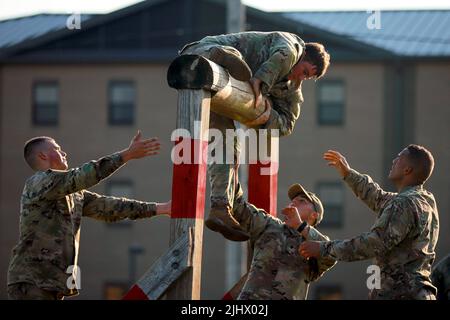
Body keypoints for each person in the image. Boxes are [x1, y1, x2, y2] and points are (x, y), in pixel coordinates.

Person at [179, 31, 331, 241]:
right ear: (302, 55)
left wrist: (268, 115)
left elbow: (287, 125)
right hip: (200, 54)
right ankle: (223, 59)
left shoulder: (293, 89)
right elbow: (284, 54)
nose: (300, 77)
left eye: (306, 77)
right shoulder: (292, 44)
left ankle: (220, 207)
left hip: (216, 94)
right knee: (233, 58)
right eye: (303, 70)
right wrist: (261, 78)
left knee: (228, 145)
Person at [7, 132, 171, 300]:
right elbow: (84, 175)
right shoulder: (38, 182)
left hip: (51, 283)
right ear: (43, 155)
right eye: (57, 149)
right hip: (31, 281)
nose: (64, 153)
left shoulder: (72, 193)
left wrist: (161, 209)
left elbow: (109, 207)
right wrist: (127, 155)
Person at [300, 146, 439, 300]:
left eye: (399, 158)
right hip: (415, 292)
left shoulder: (404, 203)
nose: (394, 161)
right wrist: (348, 173)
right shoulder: (424, 200)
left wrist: (323, 248)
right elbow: (378, 197)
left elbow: (373, 243)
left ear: (407, 170)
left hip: (401, 293)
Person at [224, 180, 336, 299]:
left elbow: (331, 255)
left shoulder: (315, 245)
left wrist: (300, 226)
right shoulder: (270, 225)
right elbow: (240, 208)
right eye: (293, 200)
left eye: (302, 201)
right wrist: (232, 175)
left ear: (314, 215)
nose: (293, 202)